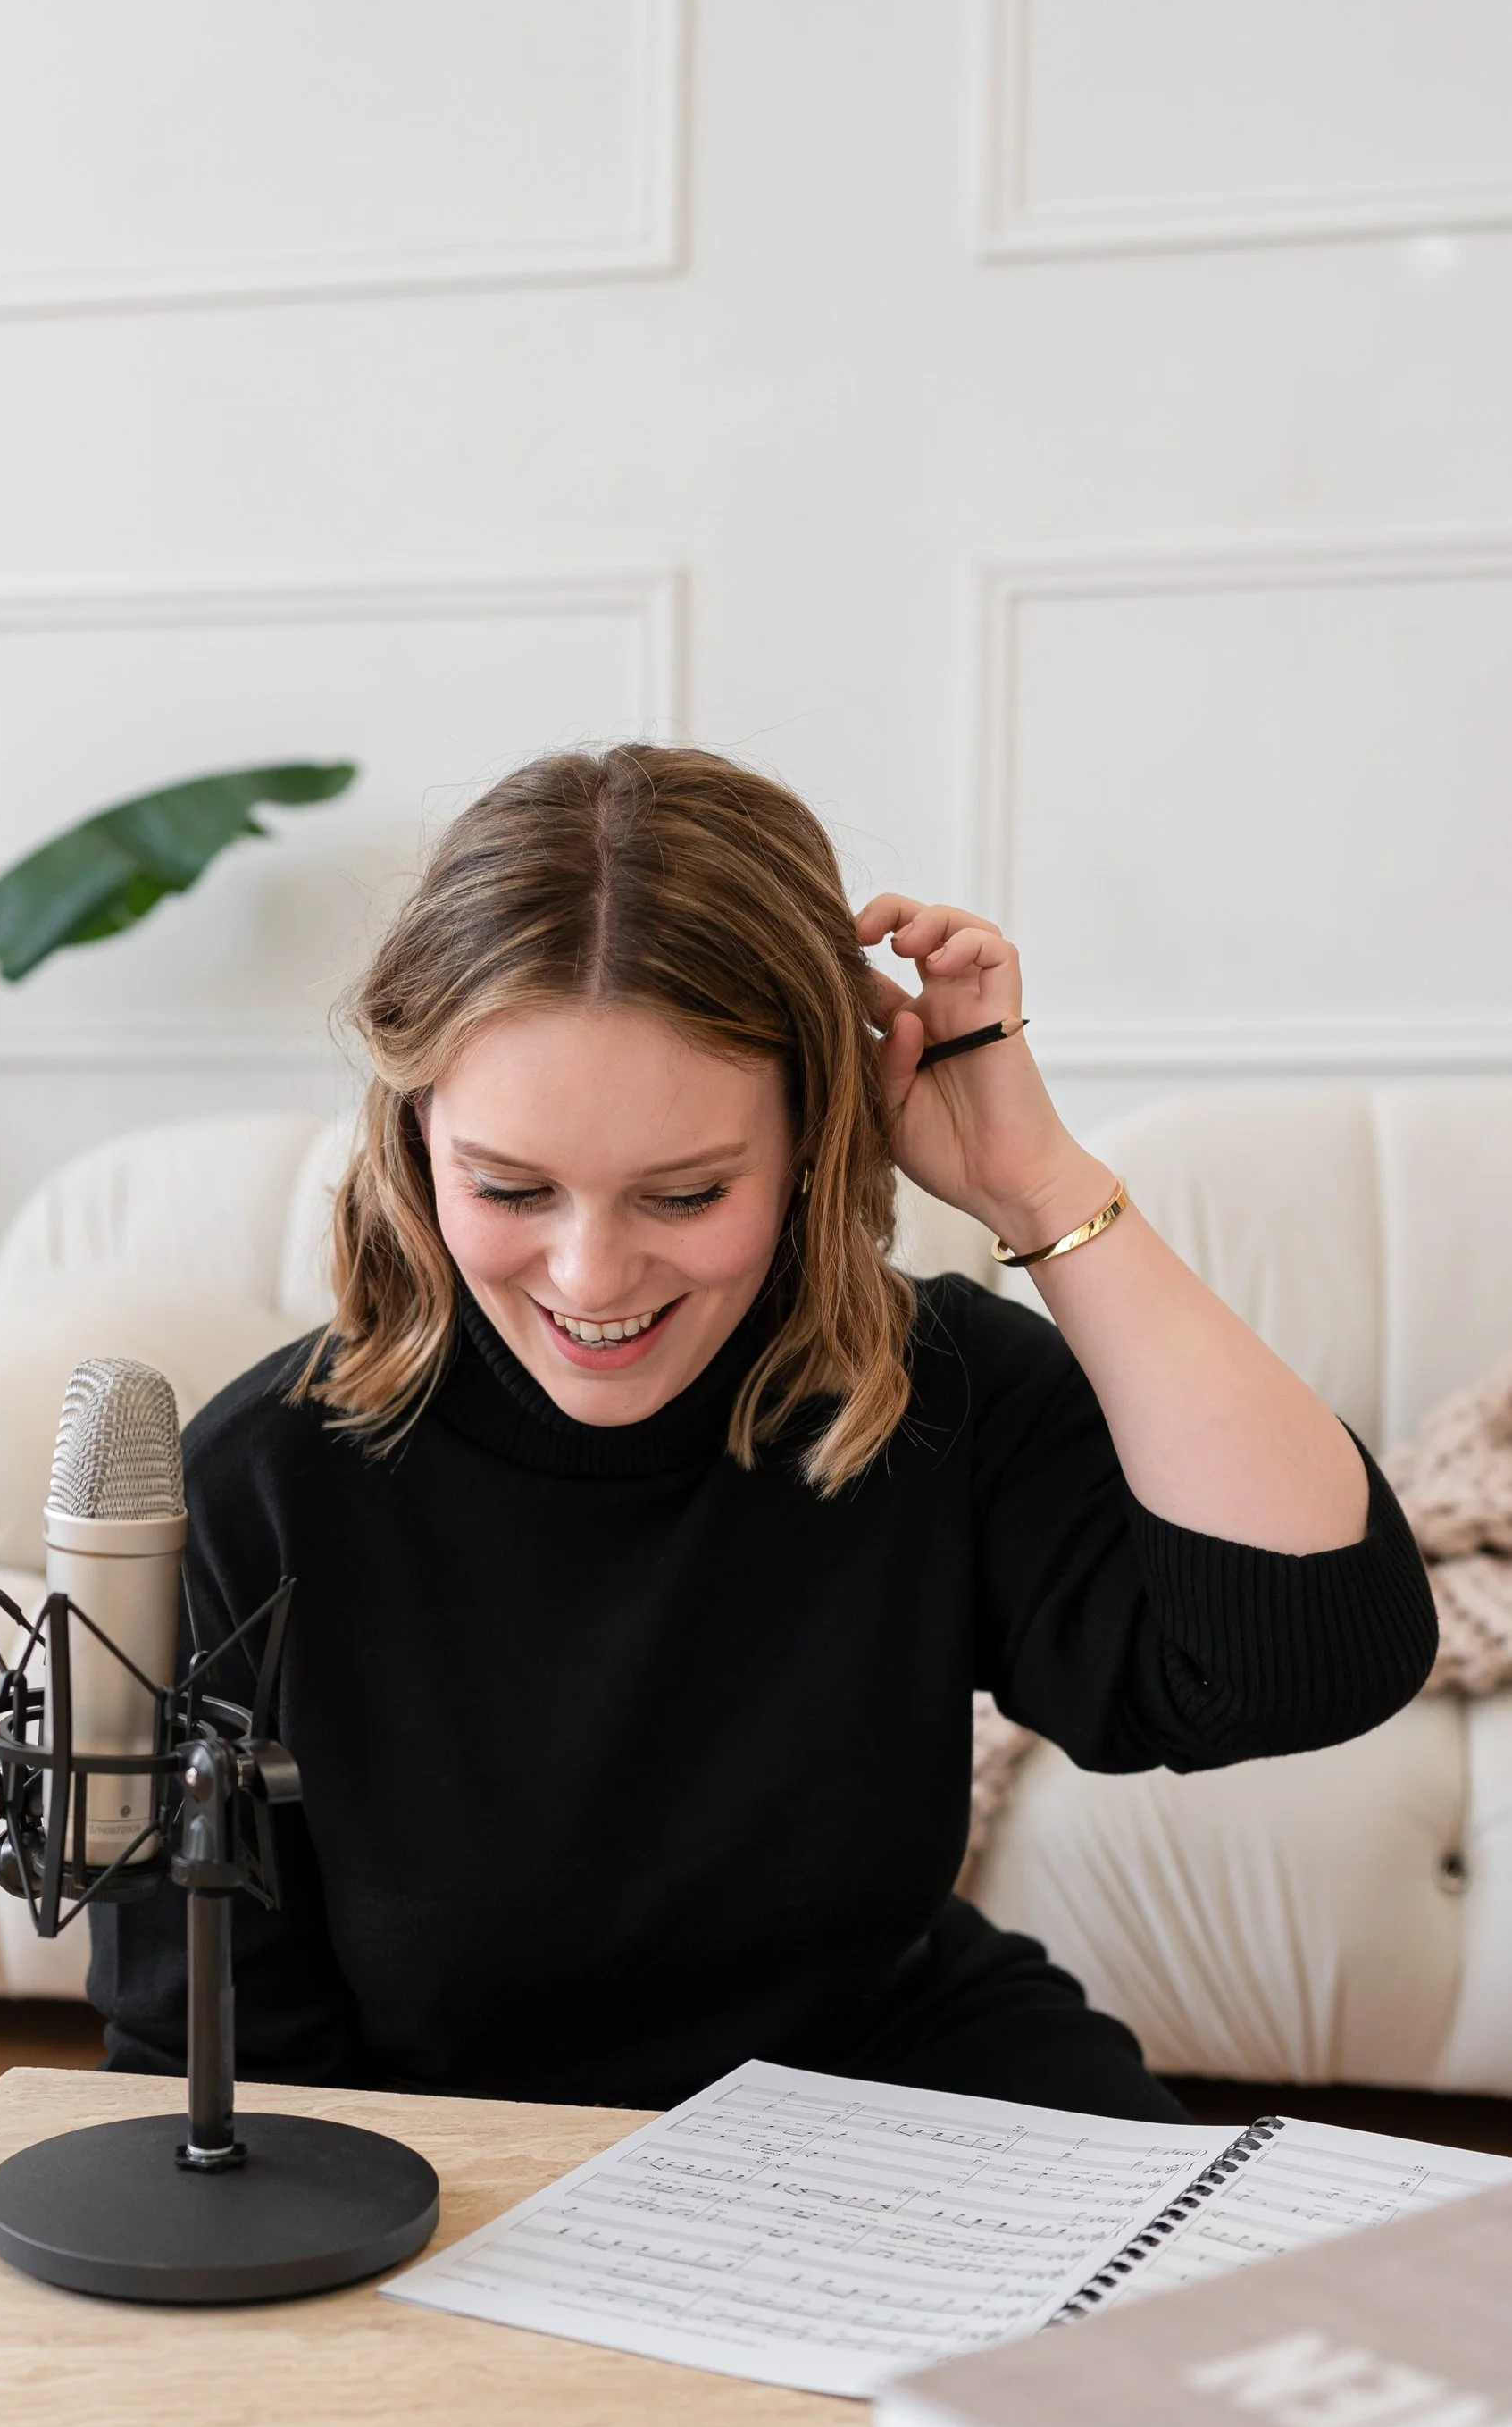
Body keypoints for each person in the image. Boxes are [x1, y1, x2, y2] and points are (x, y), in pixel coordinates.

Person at [91, 747, 1436, 2120]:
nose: (591, 1274)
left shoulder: (928, 1391)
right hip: (460, 2148)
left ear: (812, 1136)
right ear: (416, 1132)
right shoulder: (260, 1485)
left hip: (892, 2078)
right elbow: (210, 2066)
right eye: (511, 1186)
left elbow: (1312, 1657)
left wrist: (1039, 1190)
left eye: (684, 1195)